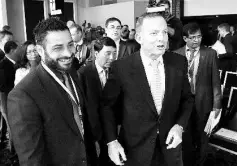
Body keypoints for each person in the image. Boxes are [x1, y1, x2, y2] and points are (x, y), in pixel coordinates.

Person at [100, 12, 194, 166]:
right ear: (139, 38)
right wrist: (111, 141)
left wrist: (179, 126)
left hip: (170, 148)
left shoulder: (178, 62)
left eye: (164, 32)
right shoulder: (122, 67)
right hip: (134, 150)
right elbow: (107, 107)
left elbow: (187, 99)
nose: (161, 38)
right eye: (154, 33)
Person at [7, 17, 97, 165]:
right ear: (40, 50)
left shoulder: (73, 73)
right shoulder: (23, 95)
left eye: (70, 45)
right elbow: (32, 159)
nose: (68, 53)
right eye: (58, 48)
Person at [175, 22, 222, 166]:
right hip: (183, 105)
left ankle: (200, 163)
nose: (197, 40)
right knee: (186, 138)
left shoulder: (210, 54)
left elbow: (215, 81)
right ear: (185, 38)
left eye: (199, 37)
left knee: (203, 138)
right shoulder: (176, 54)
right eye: (193, 37)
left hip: (204, 103)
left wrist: (217, 107)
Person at [78, 37, 117, 166]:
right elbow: (82, 107)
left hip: (114, 130)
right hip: (94, 134)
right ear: (96, 53)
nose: (111, 58)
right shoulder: (83, 74)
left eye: (114, 53)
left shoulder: (117, 72)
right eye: (108, 53)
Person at [0, 41, 18, 151]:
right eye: (17, 49)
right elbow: (2, 86)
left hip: (10, 98)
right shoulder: (3, 64)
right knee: (10, 124)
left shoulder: (13, 63)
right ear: (12, 50)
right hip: (6, 98)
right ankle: (12, 150)